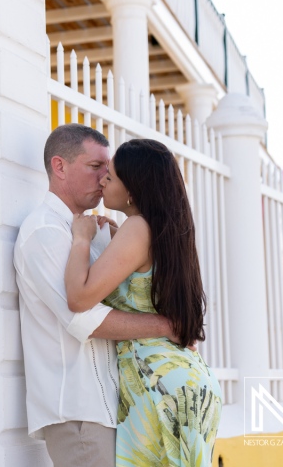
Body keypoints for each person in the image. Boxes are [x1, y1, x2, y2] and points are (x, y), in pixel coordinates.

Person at [14, 124, 181, 467]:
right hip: (78, 412)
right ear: (59, 167)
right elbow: (83, 319)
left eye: (108, 169)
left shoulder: (93, 231)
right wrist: (166, 325)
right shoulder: (45, 231)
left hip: (111, 410)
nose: (105, 178)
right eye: (95, 167)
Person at [65, 138, 222, 466]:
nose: (103, 180)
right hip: (186, 381)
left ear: (133, 189)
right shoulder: (162, 230)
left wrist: (81, 239)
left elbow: (79, 298)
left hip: (158, 385)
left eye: (112, 175)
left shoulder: (137, 229)